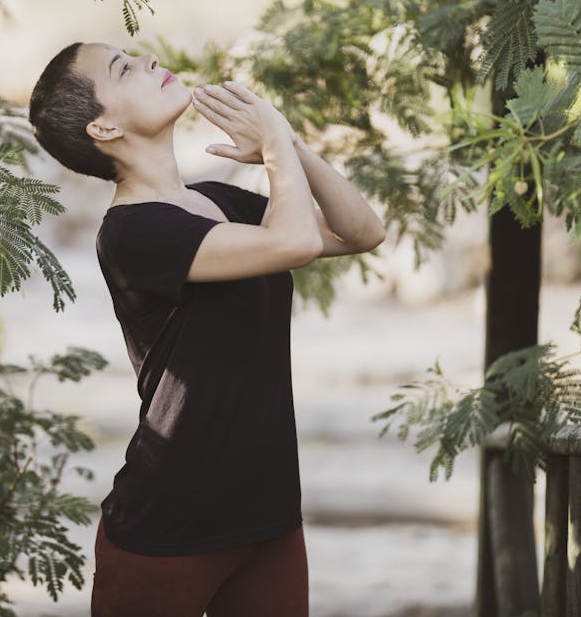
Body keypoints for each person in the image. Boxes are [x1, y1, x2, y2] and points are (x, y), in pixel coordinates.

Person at [28, 42, 385, 617]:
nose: (146, 60)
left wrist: (288, 142)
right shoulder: (131, 232)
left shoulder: (218, 200)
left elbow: (362, 232)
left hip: (267, 515)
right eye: (124, 68)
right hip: (169, 525)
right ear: (104, 126)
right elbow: (291, 243)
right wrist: (271, 143)